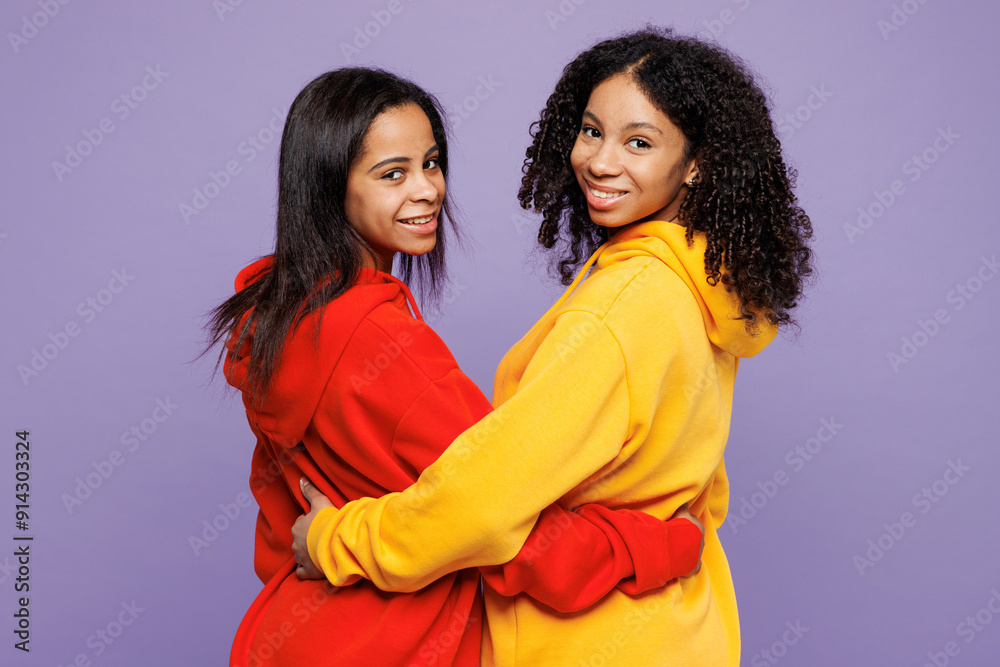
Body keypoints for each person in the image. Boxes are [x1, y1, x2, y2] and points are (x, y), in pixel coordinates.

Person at [292, 28, 814, 667]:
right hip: (683, 630)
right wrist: (660, 544)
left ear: (697, 161)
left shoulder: (622, 308)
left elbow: (480, 507)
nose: (600, 160)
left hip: (587, 641)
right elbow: (700, 492)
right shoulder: (701, 288)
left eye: (639, 143)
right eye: (591, 131)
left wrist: (335, 539)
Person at [205, 67, 706, 667]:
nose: (427, 191)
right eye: (393, 174)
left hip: (294, 631)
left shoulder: (279, 315)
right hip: (399, 643)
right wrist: (662, 546)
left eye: (432, 163)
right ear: (327, 186)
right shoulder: (386, 348)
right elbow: (501, 532)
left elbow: (281, 523)